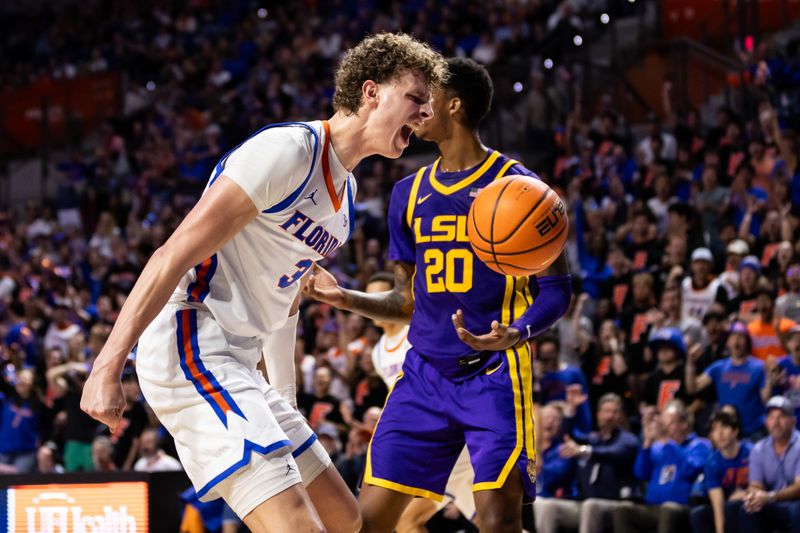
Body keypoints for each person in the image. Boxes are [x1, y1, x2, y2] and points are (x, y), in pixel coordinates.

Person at [80, 32, 447, 532]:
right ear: (370, 92)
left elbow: (285, 301)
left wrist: (285, 401)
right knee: (299, 527)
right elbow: (172, 255)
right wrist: (107, 365)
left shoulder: (346, 197)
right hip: (193, 341)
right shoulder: (288, 151)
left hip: (241, 363)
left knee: (344, 520)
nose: (426, 114)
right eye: (416, 99)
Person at [305, 57, 572, 532]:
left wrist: (517, 332)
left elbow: (557, 288)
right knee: (366, 524)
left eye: (428, 97)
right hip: (424, 376)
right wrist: (343, 297)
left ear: (454, 104)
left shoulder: (523, 188)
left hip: (493, 375)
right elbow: (405, 303)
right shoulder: (406, 194)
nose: (419, 106)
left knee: (499, 522)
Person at [365, 272, 478, 531]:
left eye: (380, 295)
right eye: (369, 296)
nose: (372, 302)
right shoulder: (378, 350)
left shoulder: (416, 331)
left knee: (406, 521)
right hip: (422, 438)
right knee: (410, 522)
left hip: (447, 437)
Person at [534, 393, 639, 533]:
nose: (610, 416)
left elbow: (612, 453)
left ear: (621, 416)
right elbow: (572, 436)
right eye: (606, 411)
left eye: (615, 412)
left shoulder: (627, 440)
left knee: (590, 506)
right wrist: (571, 410)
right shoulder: (594, 439)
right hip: (583, 503)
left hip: (615, 504)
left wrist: (583, 451)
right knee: (546, 505)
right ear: (598, 414)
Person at [613, 400, 711, 533]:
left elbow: (691, 471)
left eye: (669, 422)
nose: (665, 427)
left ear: (683, 424)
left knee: (668, 509)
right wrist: (647, 443)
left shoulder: (700, 445)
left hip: (681, 507)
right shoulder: (658, 447)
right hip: (652, 507)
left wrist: (669, 443)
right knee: (623, 509)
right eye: (663, 423)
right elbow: (640, 473)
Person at [685, 321, 770, 439]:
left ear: (747, 342)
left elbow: (766, 399)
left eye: (741, 337)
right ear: (728, 342)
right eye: (733, 337)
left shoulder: (758, 367)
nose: (736, 341)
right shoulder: (718, 367)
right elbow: (692, 388)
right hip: (728, 432)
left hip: (753, 432)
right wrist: (690, 363)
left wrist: (770, 377)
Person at [739, 396, 800, 532]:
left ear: (793, 421)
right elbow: (756, 484)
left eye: (781, 417)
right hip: (773, 504)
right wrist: (753, 496)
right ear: (766, 422)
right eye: (771, 417)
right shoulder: (759, 449)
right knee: (746, 509)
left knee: (797, 510)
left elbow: (798, 488)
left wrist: (770, 496)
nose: (776, 422)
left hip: (795, 503)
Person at [689, 408, 752, 533]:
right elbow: (718, 504)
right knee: (699, 513)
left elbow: (761, 484)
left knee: (736, 507)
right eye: (714, 429)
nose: (719, 433)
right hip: (726, 504)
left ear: (735, 431)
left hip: (750, 501)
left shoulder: (751, 452)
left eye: (724, 427)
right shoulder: (712, 463)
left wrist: (745, 494)